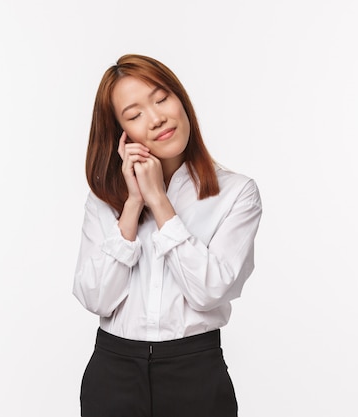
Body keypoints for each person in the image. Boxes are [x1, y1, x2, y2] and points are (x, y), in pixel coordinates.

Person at [73, 53, 262, 417]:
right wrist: (132, 205)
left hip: (195, 373)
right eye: (134, 114)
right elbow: (95, 297)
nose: (156, 118)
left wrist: (159, 201)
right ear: (121, 133)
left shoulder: (237, 193)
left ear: (181, 99)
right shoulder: (103, 201)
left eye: (161, 99)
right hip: (113, 373)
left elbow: (209, 291)